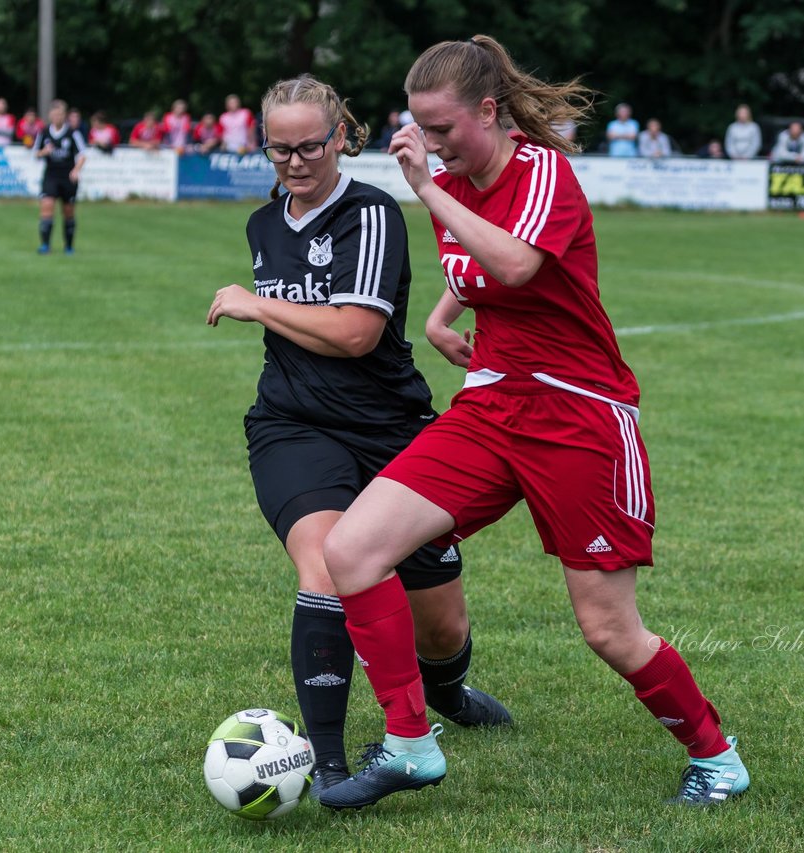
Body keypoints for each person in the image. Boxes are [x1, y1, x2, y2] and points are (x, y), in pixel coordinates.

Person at [317, 34, 749, 812]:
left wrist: (427, 189)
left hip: (578, 415)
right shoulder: (457, 179)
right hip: (491, 408)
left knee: (608, 629)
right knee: (351, 547)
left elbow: (517, 262)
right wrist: (449, 314)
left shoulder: (540, 170)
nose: (432, 143)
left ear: (489, 110)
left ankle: (716, 754)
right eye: (420, 127)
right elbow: (478, 265)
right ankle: (411, 744)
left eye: (444, 128)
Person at [205, 72, 513, 800]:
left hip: (389, 430)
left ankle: (450, 692)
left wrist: (258, 305)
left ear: (340, 136)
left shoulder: (369, 215)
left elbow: (356, 332)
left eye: (309, 145)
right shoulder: (262, 224)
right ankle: (328, 762)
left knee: (440, 626)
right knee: (326, 565)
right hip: (292, 428)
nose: (295, 162)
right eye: (279, 150)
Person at [33, 99, 87, 255]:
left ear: (65, 116)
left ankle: (69, 247)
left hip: (67, 178)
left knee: (68, 212)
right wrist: (44, 152)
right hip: (51, 176)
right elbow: (35, 153)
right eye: (55, 114)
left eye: (60, 114)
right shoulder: (43, 132)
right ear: (50, 115)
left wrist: (76, 170)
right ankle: (45, 245)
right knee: (47, 207)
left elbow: (83, 155)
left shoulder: (73, 133)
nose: (57, 117)